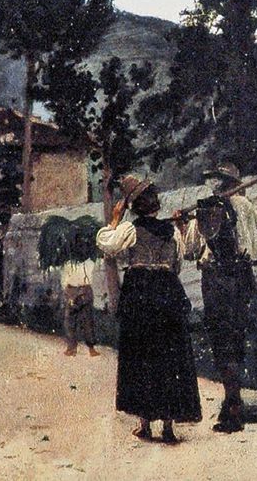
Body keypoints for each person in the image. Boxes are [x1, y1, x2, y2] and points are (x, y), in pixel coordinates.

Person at [97, 177, 200, 444]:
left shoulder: (130, 229)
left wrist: (114, 220)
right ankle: (167, 426)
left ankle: (145, 424)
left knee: (142, 354)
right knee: (169, 354)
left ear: (134, 207)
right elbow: (177, 265)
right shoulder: (173, 232)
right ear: (155, 203)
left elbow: (107, 245)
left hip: (141, 295)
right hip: (167, 293)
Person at [182, 163, 257, 434]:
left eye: (215, 180)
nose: (212, 184)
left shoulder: (209, 210)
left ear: (222, 182)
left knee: (222, 343)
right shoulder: (246, 206)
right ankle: (232, 401)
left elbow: (191, 250)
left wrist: (185, 225)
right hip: (243, 278)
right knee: (237, 340)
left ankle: (233, 406)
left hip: (218, 281)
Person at [59, 256, 99, 357]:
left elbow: (65, 280)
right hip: (75, 289)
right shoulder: (71, 263)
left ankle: (86, 348)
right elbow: (65, 280)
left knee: (84, 321)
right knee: (74, 321)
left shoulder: (87, 262)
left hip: (81, 289)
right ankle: (75, 348)